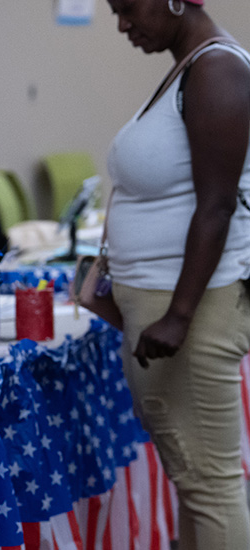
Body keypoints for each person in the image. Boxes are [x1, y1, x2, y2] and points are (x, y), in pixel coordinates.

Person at [105, 1, 250, 547]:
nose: (122, 24)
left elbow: (216, 206)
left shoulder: (217, 69)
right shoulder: (188, 65)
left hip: (191, 310)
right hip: (168, 303)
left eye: (127, 7)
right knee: (197, 486)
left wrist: (179, 316)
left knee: (210, 487)